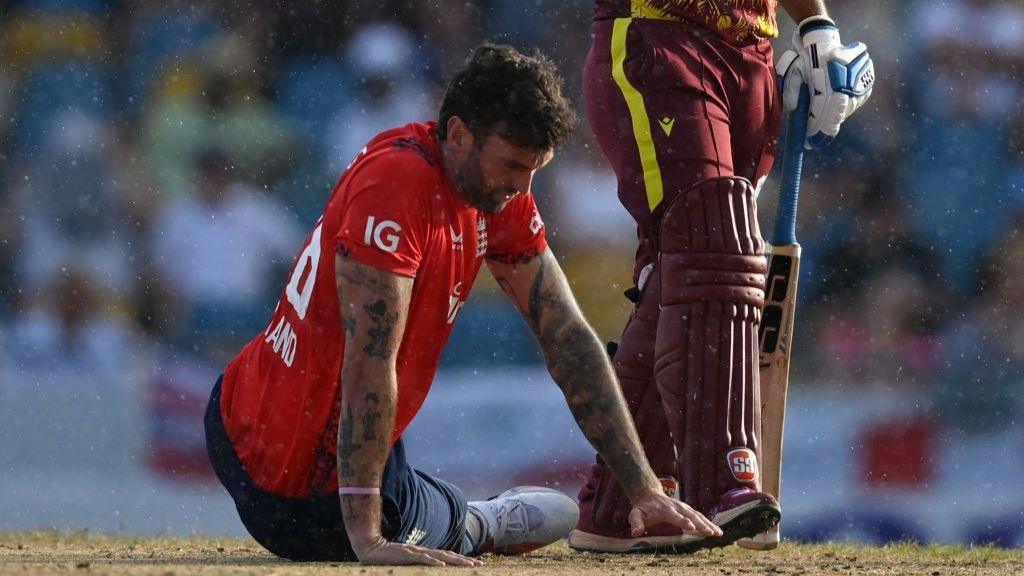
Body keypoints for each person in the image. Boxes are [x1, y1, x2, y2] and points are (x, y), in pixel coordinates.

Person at [204, 43, 723, 567]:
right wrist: (366, 538)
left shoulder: (491, 191)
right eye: (513, 165)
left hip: (234, 412)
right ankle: (479, 521)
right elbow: (368, 358)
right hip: (300, 493)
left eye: (534, 171)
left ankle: (427, 510)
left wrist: (644, 489)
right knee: (411, 521)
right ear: (458, 134)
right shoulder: (398, 185)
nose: (522, 186)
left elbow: (566, 335)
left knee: (393, 475)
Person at [569, 0, 875, 553]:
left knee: (685, 271)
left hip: (752, 50)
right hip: (659, 33)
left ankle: (620, 504)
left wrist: (817, 27)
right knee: (714, 242)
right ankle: (725, 483)